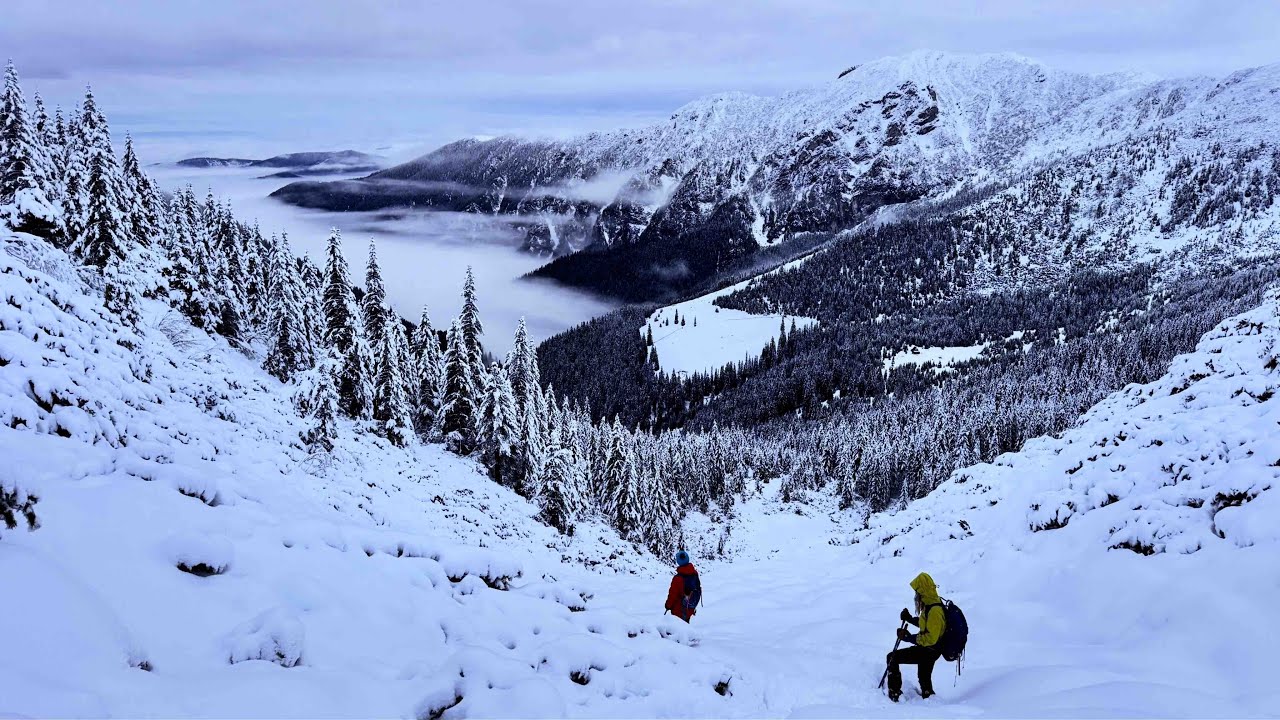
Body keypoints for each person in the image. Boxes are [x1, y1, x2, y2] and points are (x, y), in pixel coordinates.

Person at [886, 572, 947, 702]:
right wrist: (909, 619)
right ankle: (929, 698)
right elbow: (925, 624)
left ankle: (894, 693)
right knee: (924, 676)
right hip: (931, 650)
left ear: (923, 591)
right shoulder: (931, 605)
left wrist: (908, 638)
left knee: (892, 658)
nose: (916, 596)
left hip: (929, 650)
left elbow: (931, 638)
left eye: (917, 592)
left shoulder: (935, 610)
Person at [664, 550, 700, 623]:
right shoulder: (694, 574)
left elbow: (672, 595)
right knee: (686, 627)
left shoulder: (678, 578)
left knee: (678, 631)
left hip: (678, 611)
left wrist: (668, 605)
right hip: (690, 608)